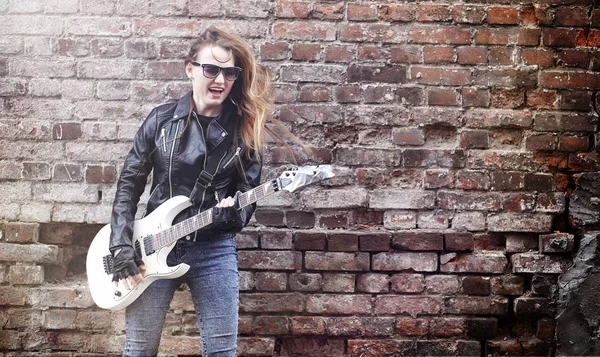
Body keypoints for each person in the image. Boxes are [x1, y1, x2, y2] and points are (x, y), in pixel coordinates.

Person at [108, 27, 285, 357]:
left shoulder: (245, 130)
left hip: (213, 249)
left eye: (229, 72)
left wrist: (231, 217)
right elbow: (129, 185)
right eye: (211, 69)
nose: (220, 79)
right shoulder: (160, 122)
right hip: (152, 246)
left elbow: (246, 195)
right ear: (190, 69)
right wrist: (120, 244)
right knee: (138, 350)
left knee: (222, 353)